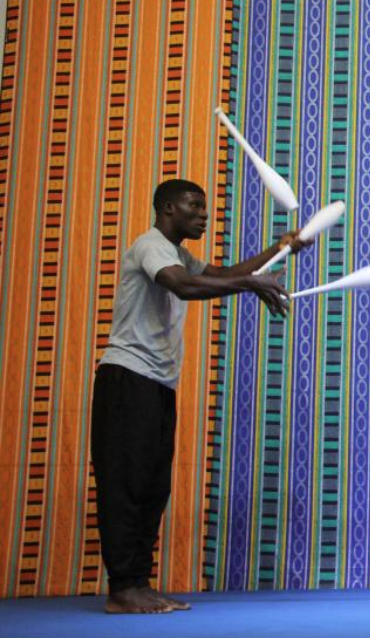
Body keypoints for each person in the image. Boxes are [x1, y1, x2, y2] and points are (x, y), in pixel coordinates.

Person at [92, 178, 307, 614]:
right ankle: (123, 589)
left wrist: (277, 249)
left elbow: (218, 275)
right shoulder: (151, 245)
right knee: (127, 485)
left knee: (152, 486)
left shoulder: (177, 253)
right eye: (194, 206)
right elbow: (185, 287)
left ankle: (138, 584)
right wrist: (253, 284)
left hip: (156, 384)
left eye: (205, 207)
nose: (203, 215)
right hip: (127, 380)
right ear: (168, 208)